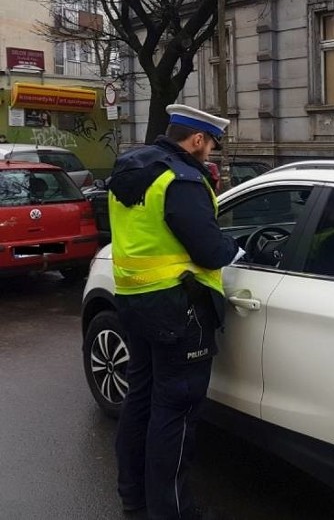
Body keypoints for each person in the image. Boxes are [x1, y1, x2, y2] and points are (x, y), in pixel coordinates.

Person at [108, 104, 239, 520]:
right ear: (197, 140)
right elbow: (210, 251)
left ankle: (134, 498)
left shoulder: (131, 169)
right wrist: (236, 247)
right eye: (211, 146)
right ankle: (173, 512)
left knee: (140, 401)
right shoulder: (181, 180)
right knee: (176, 414)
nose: (212, 154)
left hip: (133, 301)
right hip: (179, 311)